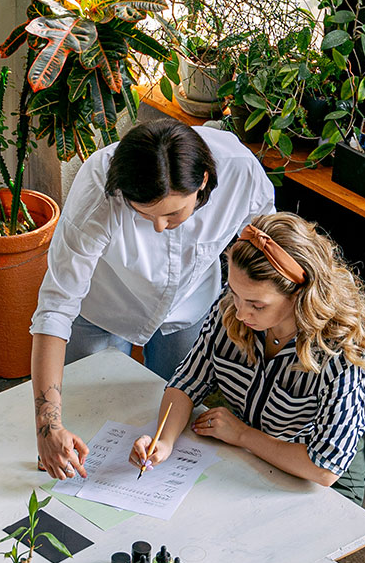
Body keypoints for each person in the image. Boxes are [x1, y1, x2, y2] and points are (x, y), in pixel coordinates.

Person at [30, 119, 275, 481]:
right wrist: (47, 430)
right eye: (144, 215)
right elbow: (55, 307)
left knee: (164, 429)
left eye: (173, 214)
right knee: (88, 424)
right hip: (103, 307)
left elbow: (268, 250)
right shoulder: (98, 189)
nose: (159, 226)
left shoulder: (241, 172)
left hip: (188, 310)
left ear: (203, 181)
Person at [128, 212, 365, 504]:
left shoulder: (340, 352)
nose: (241, 314)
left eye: (257, 304)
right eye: (235, 293)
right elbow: (187, 381)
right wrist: (163, 442)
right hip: (258, 461)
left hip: (321, 484)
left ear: (300, 295)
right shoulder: (230, 310)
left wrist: (242, 435)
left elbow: (325, 467)